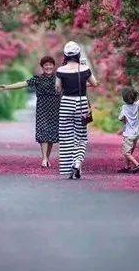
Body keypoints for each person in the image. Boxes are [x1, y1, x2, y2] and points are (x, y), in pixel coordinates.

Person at [0, 56, 60, 168]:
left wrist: (90, 83)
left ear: (53, 66)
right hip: (42, 109)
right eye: (46, 65)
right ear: (42, 67)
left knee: (51, 135)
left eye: (50, 65)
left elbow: (72, 84)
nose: (48, 67)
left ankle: (47, 158)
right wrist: (7, 87)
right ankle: (44, 158)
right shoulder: (37, 79)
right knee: (43, 133)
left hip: (55, 109)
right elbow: (23, 84)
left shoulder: (59, 79)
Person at [55, 41, 98, 179]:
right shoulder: (84, 69)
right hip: (81, 103)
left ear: (65, 55)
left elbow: (58, 89)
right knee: (81, 137)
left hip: (66, 103)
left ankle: (68, 168)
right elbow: (95, 83)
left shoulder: (60, 70)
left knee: (66, 136)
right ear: (79, 54)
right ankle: (78, 162)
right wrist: (82, 82)